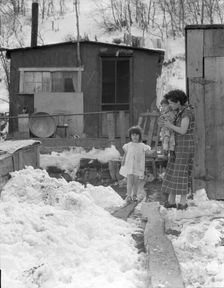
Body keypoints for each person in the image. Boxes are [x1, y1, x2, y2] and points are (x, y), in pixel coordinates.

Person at [160, 89, 195, 210]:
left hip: (185, 147)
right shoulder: (178, 112)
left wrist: (170, 126)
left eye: (171, 103)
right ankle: (171, 200)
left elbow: (183, 130)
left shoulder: (187, 113)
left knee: (182, 173)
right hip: (176, 146)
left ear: (178, 102)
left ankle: (183, 202)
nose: (170, 105)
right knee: (172, 171)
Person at [119, 125, 155, 203]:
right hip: (129, 166)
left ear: (139, 136)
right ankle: (128, 196)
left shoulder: (142, 146)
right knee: (129, 182)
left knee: (136, 183)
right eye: (133, 135)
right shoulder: (128, 145)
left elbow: (148, 152)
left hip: (137, 167)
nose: (135, 136)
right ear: (130, 136)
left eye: (136, 135)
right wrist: (123, 160)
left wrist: (153, 151)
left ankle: (134, 196)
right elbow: (125, 154)